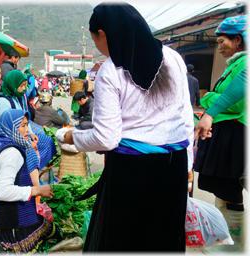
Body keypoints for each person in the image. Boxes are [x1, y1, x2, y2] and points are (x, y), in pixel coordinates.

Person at [63, 3, 193, 252]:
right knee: (164, 236)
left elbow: (106, 138)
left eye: (95, 40)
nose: (98, 47)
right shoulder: (174, 58)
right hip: (173, 165)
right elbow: (185, 115)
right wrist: (188, 164)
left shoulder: (111, 71)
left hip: (132, 170)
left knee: (124, 238)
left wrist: (72, 137)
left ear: (104, 33)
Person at [194, 14, 247, 254]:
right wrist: (212, 99)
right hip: (226, 133)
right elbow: (220, 96)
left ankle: (234, 247)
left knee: (232, 189)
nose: (220, 47)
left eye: (222, 41)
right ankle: (223, 240)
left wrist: (210, 103)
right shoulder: (235, 65)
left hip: (236, 134)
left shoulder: (245, 65)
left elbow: (235, 104)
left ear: (238, 40)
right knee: (224, 189)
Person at [0, 109, 62, 253]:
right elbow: (2, 192)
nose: (26, 130)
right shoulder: (12, 153)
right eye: (22, 125)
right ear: (11, 127)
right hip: (4, 219)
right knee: (54, 232)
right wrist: (36, 190)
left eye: (26, 125)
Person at [0, 70, 57, 187]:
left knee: (47, 141)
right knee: (31, 153)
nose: (24, 89)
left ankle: (32, 174)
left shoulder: (18, 97)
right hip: (8, 139)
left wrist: (31, 133)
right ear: (13, 85)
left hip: (21, 134)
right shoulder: (3, 101)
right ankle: (30, 183)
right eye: (21, 86)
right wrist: (27, 142)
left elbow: (24, 119)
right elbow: (10, 128)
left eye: (25, 85)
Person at [195, 69, 246, 140]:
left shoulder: (244, 62)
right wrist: (210, 114)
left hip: (231, 129)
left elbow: (237, 104)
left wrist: (209, 98)